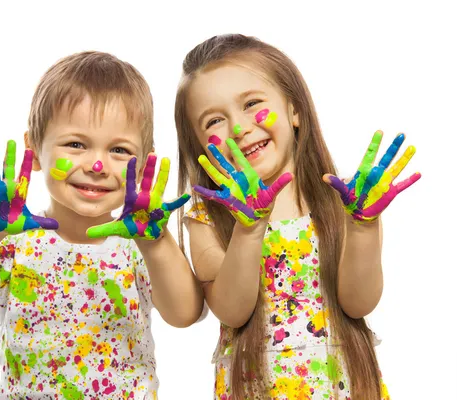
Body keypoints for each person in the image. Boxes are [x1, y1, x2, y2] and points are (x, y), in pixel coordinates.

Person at [0, 51, 204, 399]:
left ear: (143, 165)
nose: (97, 164)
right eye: (76, 144)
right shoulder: (15, 244)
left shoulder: (137, 248)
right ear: (34, 151)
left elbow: (184, 314)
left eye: (120, 150)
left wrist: (156, 244)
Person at [175, 34, 420, 399]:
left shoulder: (346, 202)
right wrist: (248, 228)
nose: (239, 128)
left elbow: (359, 302)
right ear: (198, 147)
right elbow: (231, 310)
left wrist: (364, 226)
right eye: (214, 121)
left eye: (252, 103)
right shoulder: (206, 216)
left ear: (295, 110)